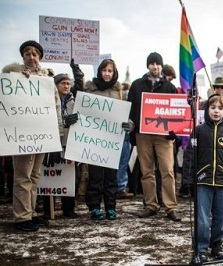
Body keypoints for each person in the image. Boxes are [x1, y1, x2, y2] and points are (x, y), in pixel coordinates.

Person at [2, 40, 63, 231]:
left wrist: (57, 136)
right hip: (22, 137)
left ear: (40, 58)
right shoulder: (14, 76)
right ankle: (22, 217)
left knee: (35, 176)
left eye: (35, 54)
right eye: (27, 53)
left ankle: (31, 212)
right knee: (22, 177)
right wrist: (19, 76)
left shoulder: (47, 82)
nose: (31, 57)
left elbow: (56, 108)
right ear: (23, 57)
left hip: (42, 136)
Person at [183, 94, 223, 263]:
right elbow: (189, 156)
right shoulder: (199, 131)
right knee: (201, 218)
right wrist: (187, 179)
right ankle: (200, 248)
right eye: (213, 107)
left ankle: (216, 244)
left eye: (220, 108)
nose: (216, 111)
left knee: (221, 217)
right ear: (206, 109)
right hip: (203, 180)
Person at [77, 59, 132, 221]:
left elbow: (126, 115)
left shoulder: (119, 92)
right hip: (94, 141)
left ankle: (110, 207)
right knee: (95, 177)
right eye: (104, 70)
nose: (107, 74)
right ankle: (94, 207)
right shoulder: (90, 90)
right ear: (99, 72)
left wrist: (129, 124)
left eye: (110, 71)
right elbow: (82, 111)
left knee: (110, 177)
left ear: (114, 73)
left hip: (112, 142)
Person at [128, 52, 180, 221]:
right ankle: (150, 205)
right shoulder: (136, 85)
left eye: (158, 64)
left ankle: (170, 207)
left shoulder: (170, 87)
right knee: (147, 171)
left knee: (167, 171)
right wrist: (132, 129)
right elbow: (131, 109)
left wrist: (174, 131)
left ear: (161, 66)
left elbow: (175, 112)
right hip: (143, 135)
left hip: (163, 136)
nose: (155, 67)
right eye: (152, 64)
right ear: (147, 66)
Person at [42, 70, 81, 219]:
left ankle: (68, 209)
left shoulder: (73, 101)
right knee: (50, 175)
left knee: (69, 177)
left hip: (69, 143)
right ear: (55, 85)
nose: (66, 86)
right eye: (63, 83)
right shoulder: (48, 100)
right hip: (52, 142)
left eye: (68, 83)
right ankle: (48, 209)